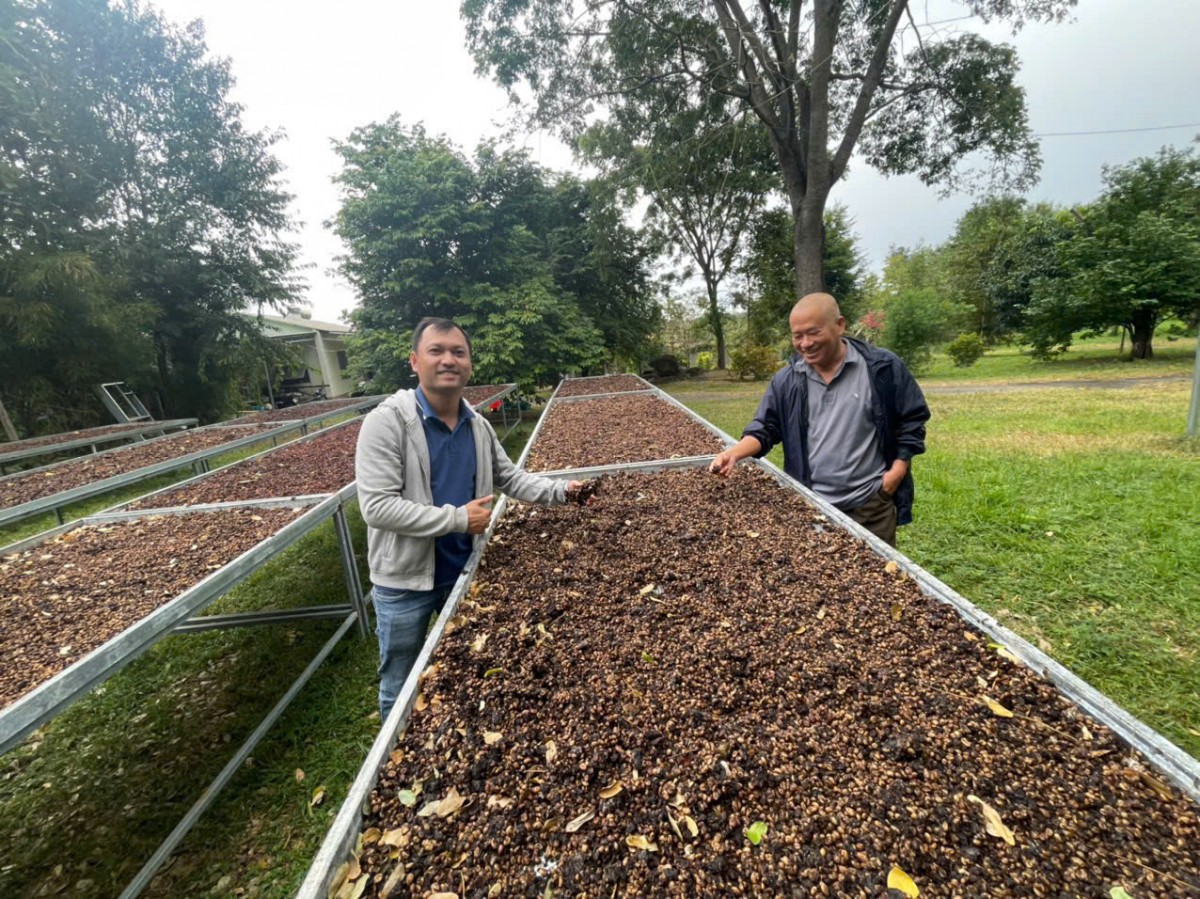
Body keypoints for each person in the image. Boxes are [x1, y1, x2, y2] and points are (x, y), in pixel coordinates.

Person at [356, 317, 585, 720]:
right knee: (400, 678)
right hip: (404, 580)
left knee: (462, 674)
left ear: (470, 365)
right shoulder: (386, 422)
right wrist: (458, 519)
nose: (449, 360)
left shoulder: (477, 425)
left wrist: (563, 491)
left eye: (458, 352)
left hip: (464, 570)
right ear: (414, 361)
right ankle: (389, 757)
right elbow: (376, 506)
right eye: (437, 351)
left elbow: (509, 478)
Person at [709, 292, 930, 546]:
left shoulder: (882, 368)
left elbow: (912, 419)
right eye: (797, 335)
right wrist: (734, 453)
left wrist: (896, 471)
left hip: (871, 504)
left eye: (813, 333)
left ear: (840, 326)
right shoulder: (787, 380)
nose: (805, 343)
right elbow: (767, 427)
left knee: (875, 579)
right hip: (810, 506)